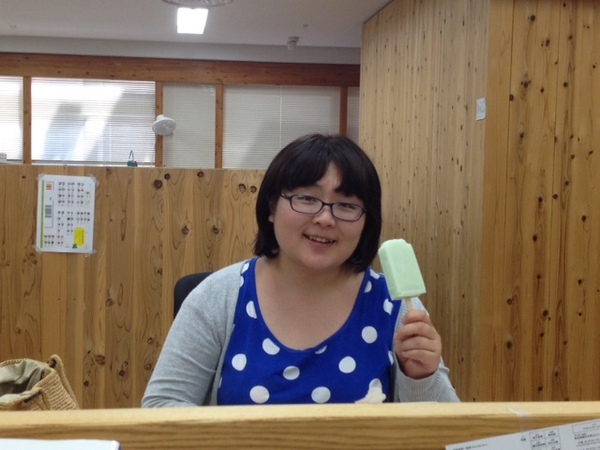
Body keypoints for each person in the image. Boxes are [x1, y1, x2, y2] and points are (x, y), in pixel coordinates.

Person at [142, 133, 459, 406]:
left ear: (367, 221)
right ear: (271, 207)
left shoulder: (396, 306)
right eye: (307, 198)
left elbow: (450, 434)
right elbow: (161, 406)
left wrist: (422, 377)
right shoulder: (217, 297)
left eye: (347, 205)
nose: (325, 218)